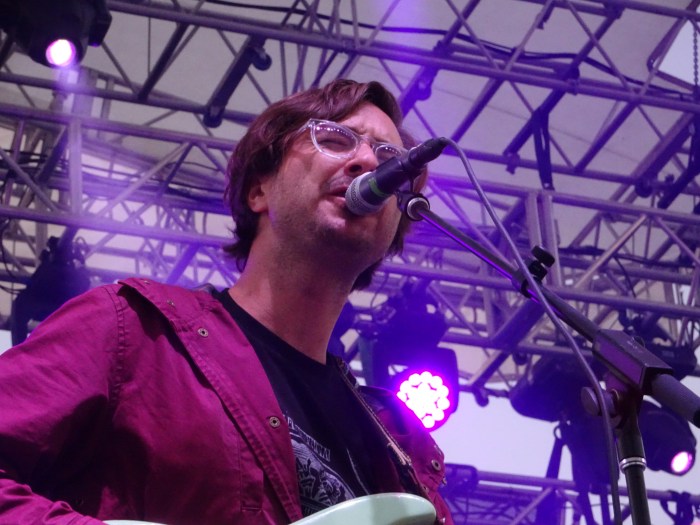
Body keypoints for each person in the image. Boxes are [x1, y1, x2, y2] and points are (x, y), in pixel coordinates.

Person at [0, 79, 453, 525]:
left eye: (390, 159)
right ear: (258, 190)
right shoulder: (131, 329)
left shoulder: (398, 442)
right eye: (335, 139)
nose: (369, 162)